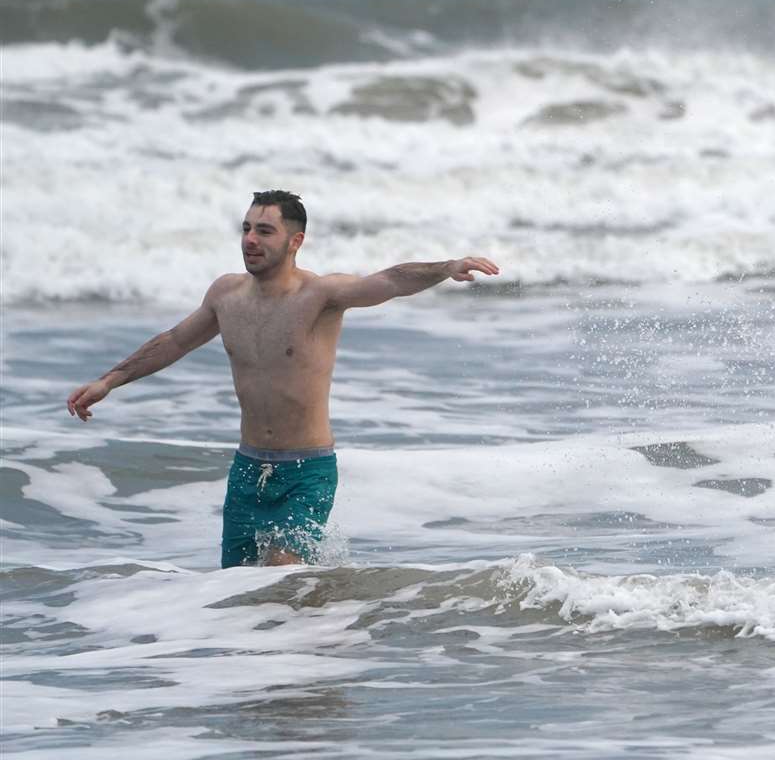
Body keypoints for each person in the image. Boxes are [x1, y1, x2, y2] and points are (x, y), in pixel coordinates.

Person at [66, 190, 499, 568]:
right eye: (246, 228)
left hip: (306, 471)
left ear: (296, 241)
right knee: (237, 595)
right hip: (247, 471)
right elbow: (175, 341)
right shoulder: (225, 296)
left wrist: (446, 266)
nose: (250, 240)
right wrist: (109, 381)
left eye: (265, 231)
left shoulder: (319, 296)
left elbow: (387, 280)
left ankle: (312, 657)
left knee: (280, 579)